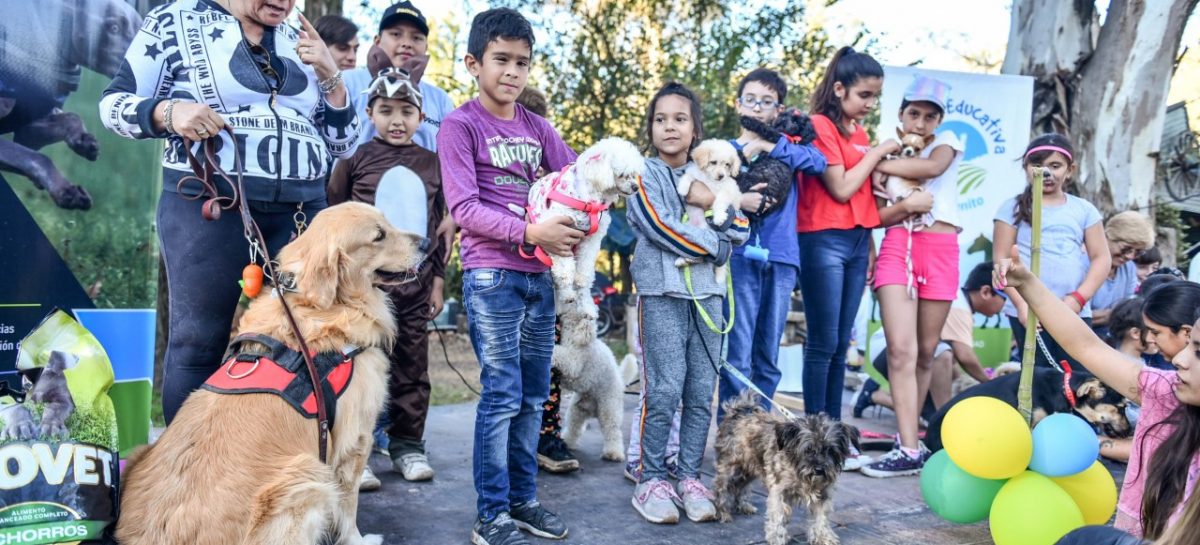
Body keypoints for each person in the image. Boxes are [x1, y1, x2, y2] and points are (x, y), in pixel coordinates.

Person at [99, 0, 358, 424]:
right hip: (209, 201)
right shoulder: (174, 20)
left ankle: (286, 462)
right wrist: (168, 111)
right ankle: (185, 476)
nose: (284, 3)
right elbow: (112, 106)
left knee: (316, 339)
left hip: (301, 210)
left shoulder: (300, 37)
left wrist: (332, 77)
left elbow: (344, 145)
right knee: (198, 342)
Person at [438, 9, 577, 545]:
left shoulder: (539, 128)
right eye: (501, 60)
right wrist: (532, 231)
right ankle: (490, 513)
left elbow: (572, 179)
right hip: (492, 276)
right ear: (474, 63)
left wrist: (605, 186)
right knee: (501, 394)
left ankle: (524, 501)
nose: (513, 72)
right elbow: (466, 208)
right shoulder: (461, 124)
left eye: (522, 62)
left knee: (534, 394)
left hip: (539, 279)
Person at [996, 251, 1200, 539]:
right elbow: (1087, 347)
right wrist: (1027, 283)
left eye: (1198, 352)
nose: (1180, 360)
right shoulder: (1165, 391)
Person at [626, 81, 749, 524]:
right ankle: (651, 478)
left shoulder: (714, 178)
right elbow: (660, 227)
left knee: (700, 391)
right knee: (663, 388)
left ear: (695, 129)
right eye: (660, 119)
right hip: (662, 294)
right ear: (652, 128)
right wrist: (716, 247)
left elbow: (742, 228)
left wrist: (715, 201)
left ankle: (689, 476)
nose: (669, 127)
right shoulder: (643, 174)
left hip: (709, 298)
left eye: (679, 118)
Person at [326, 68, 445, 489]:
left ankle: (408, 445)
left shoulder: (433, 163)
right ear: (369, 113)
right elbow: (335, 218)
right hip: (364, 293)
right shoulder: (355, 159)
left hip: (415, 288)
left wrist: (437, 279)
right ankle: (357, 449)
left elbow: (438, 225)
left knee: (413, 366)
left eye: (407, 112)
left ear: (420, 117)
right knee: (357, 368)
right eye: (386, 111)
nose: (397, 120)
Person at [862, 74, 963, 478]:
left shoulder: (948, 141)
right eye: (914, 113)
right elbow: (877, 215)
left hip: (940, 251)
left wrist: (879, 163)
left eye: (929, 115)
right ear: (901, 115)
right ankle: (906, 446)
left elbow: (932, 166)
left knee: (926, 352)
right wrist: (907, 206)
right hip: (896, 250)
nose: (920, 122)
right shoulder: (883, 148)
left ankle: (913, 441)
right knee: (900, 351)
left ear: (939, 120)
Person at [797, 46, 892, 470]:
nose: (870, 105)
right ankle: (814, 440)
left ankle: (834, 438)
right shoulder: (819, 125)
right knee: (821, 343)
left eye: (875, 97)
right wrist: (880, 152)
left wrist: (869, 244)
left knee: (840, 344)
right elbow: (839, 187)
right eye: (865, 95)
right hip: (823, 239)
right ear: (839, 89)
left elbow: (865, 194)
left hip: (855, 242)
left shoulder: (860, 134)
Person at [717, 67, 826, 418]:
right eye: (750, 100)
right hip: (740, 258)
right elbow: (710, 194)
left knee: (768, 354)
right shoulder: (725, 152)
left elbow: (819, 163)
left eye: (767, 102)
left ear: (778, 111)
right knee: (739, 350)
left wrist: (770, 144)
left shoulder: (789, 150)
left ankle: (760, 433)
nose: (757, 107)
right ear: (738, 104)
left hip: (780, 258)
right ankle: (732, 435)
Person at [993, 134, 1111, 370]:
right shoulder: (1012, 208)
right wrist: (1021, 305)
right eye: (1037, 165)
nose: (1046, 172)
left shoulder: (1084, 209)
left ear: (1070, 169)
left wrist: (1078, 299)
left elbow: (1101, 258)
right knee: (1037, 375)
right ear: (1026, 168)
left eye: (1055, 166)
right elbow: (1001, 260)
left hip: (1073, 310)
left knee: (1075, 376)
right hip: (1029, 310)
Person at [516, 86, 580, 475]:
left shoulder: (561, 176)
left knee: (548, 363)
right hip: (506, 276)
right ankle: (514, 438)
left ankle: (547, 434)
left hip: (549, 282)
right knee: (509, 367)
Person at [854, 262, 1003, 420]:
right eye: (1004, 299)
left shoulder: (960, 302)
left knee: (945, 365)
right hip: (891, 348)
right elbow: (965, 356)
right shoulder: (959, 306)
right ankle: (875, 395)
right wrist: (991, 383)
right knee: (943, 357)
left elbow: (955, 365)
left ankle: (873, 394)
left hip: (893, 348)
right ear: (986, 292)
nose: (1005, 307)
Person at [345, 1, 455, 152]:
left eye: (416, 38)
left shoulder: (440, 99)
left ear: (426, 47)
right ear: (377, 41)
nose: (406, 43)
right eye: (396, 34)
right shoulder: (346, 83)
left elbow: (449, 154)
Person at [1092, 211, 1156, 337]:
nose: (1130, 256)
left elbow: (1126, 309)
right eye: (1126, 249)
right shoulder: (1084, 263)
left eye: (1138, 253)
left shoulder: (1129, 269)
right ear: (1108, 237)